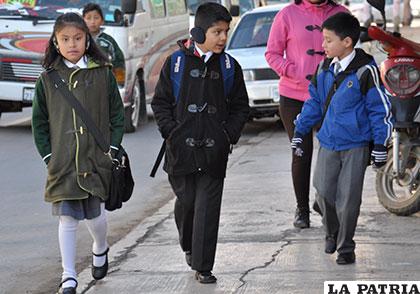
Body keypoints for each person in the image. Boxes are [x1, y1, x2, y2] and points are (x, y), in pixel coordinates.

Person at [151, 2, 249, 284]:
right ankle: (189, 245)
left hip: (214, 151)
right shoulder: (176, 63)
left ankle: (203, 265)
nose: (222, 38)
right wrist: (171, 132)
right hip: (180, 151)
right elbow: (160, 103)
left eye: (225, 32)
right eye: (216, 32)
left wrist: (227, 135)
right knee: (187, 203)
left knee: (208, 207)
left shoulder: (230, 66)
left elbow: (241, 107)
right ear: (198, 32)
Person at [32, 13, 124, 294]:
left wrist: (112, 147)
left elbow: (117, 115)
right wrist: (49, 156)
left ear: (87, 39)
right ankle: (69, 275)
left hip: (96, 159)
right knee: (67, 218)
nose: (72, 44)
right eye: (65, 39)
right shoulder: (47, 79)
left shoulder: (102, 73)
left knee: (95, 216)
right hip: (62, 163)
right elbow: (39, 122)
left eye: (78, 38)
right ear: (55, 43)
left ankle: (100, 246)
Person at [291, 12, 392, 264]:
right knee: (323, 193)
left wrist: (380, 144)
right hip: (327, 141)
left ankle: (346, 247)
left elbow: (379, 110)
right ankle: (332, 231)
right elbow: (315, 101)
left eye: (327, 40)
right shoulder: (325, 67)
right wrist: (300, 130)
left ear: (347, 42)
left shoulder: (365, 72)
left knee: (348, 200)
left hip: (355, 145)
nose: (322, 46)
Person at [265, 0, 348, 229]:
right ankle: (302, 209)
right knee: (301, 152)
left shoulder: (341, 13)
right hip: (294, 95)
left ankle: (324, 201)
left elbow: (351, 51)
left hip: (331, 96)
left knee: (333, 152)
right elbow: (272, 54)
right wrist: (294, 71)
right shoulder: (287, 14)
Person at [83, 3, 125, 74]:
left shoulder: (108, 40)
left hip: (105, 77)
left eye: (96, 18)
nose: (92, 22)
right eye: (88, 18)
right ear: (83, 20)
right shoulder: (80, 39)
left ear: (102, 21)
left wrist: (114, 72)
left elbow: (119, 59)